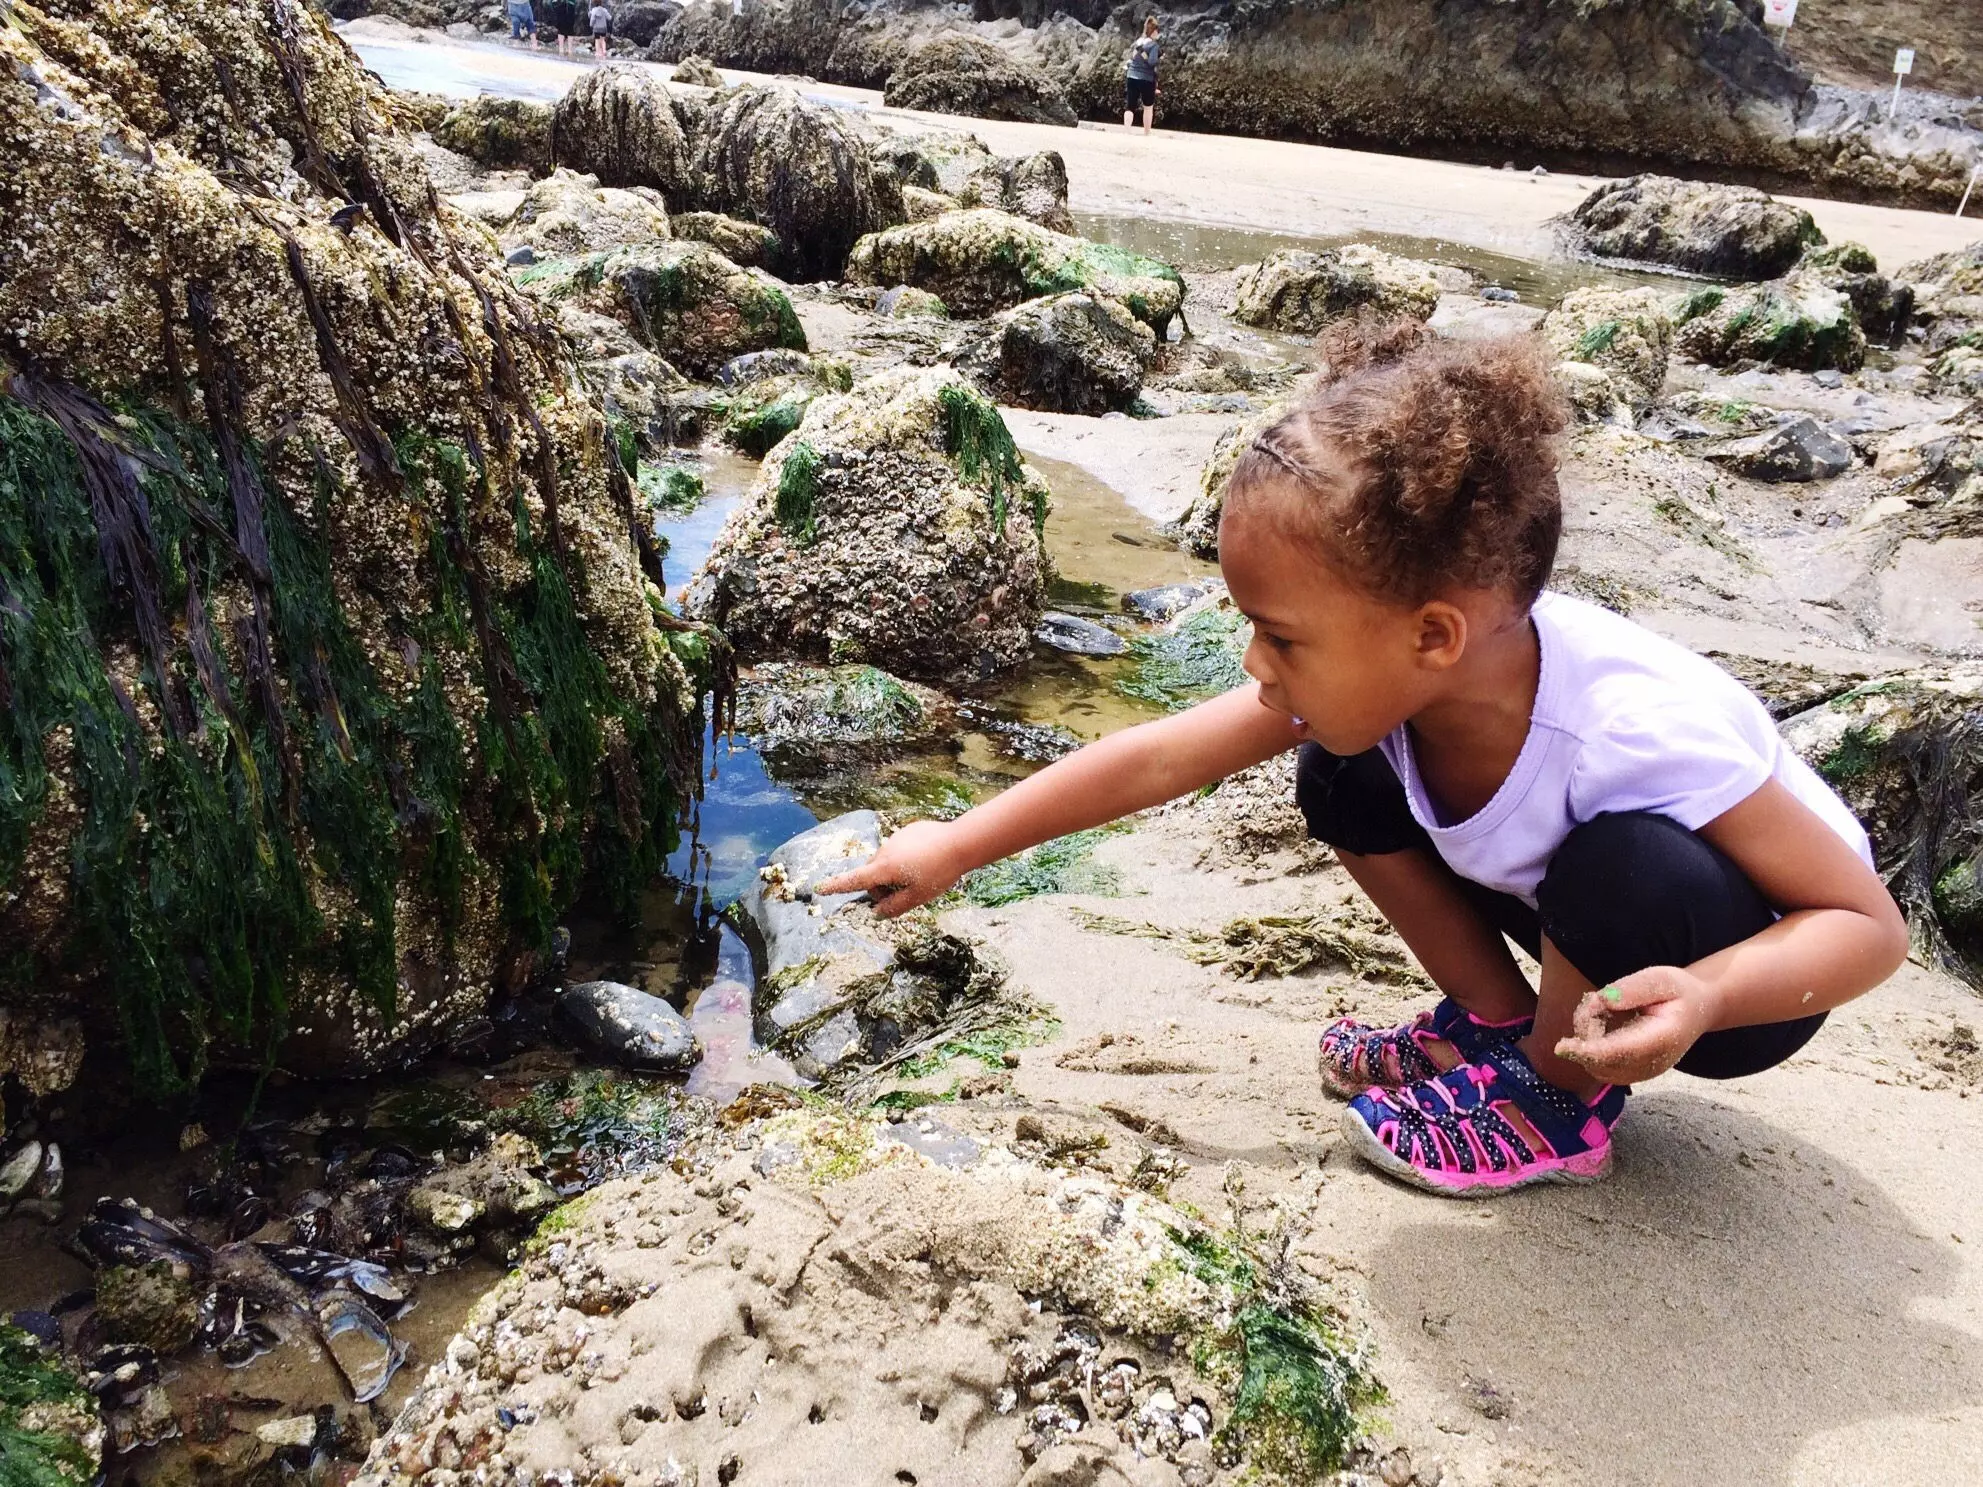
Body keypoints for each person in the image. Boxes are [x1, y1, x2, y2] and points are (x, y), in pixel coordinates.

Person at [819, 316, 1909, 1199]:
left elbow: (1867, 929)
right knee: (1341, 768)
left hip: (1735, 977)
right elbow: (1159, 761)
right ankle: (1494, 1024)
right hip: (1600, 944)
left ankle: (1550, 1097)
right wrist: (957, 844)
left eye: (1281, 633)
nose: (1255, 657)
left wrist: (1708, 998)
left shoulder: (1627, 727)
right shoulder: (1406, 678)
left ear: (1432, 634)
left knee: (1620, 861)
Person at [1123, 17, 1160, 136]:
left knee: (1130, 105)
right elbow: (1152, 62)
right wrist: (1159, 57)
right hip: (1146, 79)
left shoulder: (1138, 42)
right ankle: (1146, 133)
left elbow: (1133, 57)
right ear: (1154, 31)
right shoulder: (1154, 45)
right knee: (1148, 107)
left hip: (1132, 75)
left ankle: (1127, 131)